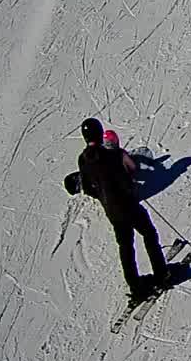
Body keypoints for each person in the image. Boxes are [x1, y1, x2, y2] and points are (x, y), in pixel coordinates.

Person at [69, 118, 170, 298]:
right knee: (148, 233)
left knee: (125, 246)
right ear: (100, 134)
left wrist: (103, 195)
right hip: (128, 204)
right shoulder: (112, 155)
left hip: (112, 210)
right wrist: (130, 191)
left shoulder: (82, 160)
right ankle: (162, 274)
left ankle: (135, 287)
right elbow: (125, 179)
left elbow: (88, 188)